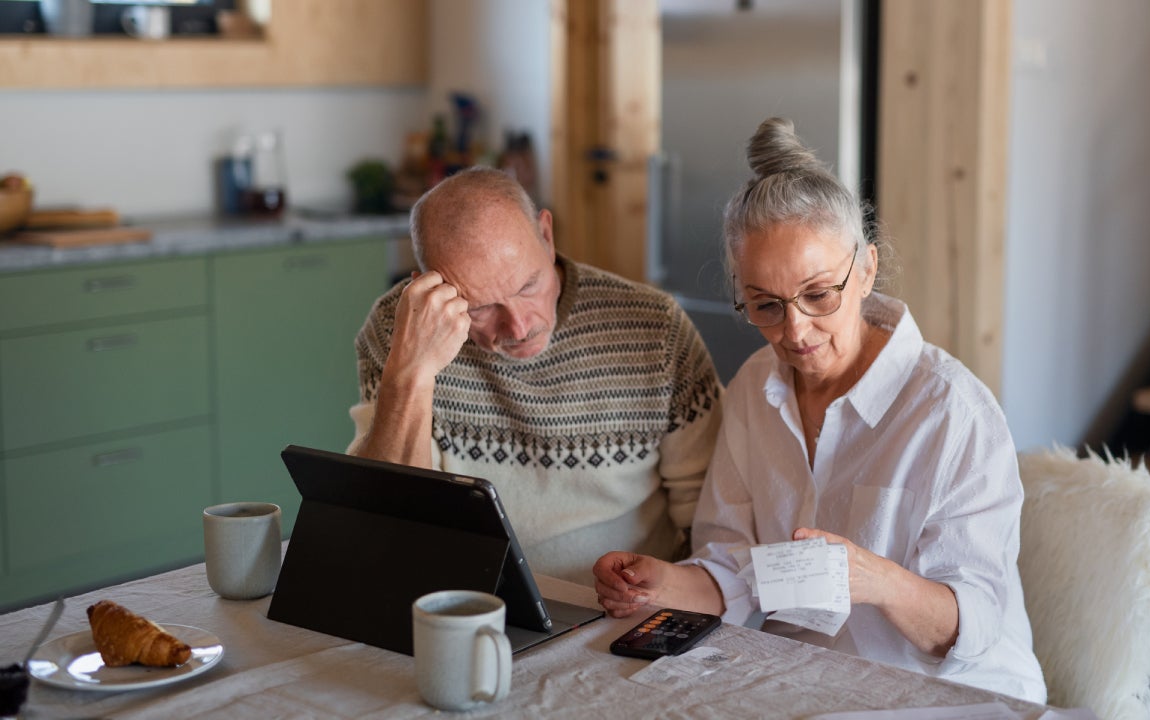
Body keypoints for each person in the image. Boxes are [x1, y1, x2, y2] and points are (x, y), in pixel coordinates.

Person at [593, 118, 1047, 702]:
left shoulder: (952, 413)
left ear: (866, 270)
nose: (795, 331)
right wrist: (664, 584)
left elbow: (975, 627)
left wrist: (876, 580)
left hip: (950, 692)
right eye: (765, 305)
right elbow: (737, 569)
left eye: (818, 294)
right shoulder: (756, 387)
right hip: (808, 683)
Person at [347, 167, 723, 585]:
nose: (520, 327)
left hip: (623, 607)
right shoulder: (397, 329)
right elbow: (387, 523)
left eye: (529, 285)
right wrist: (412, 373)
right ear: (427, 291)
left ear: (547, 235)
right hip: (467, 599)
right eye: (480, 307)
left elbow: (710, 523)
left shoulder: (657, 329)